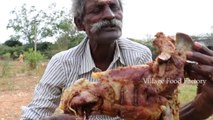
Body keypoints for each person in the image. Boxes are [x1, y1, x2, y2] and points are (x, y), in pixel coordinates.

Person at [21, 0, 213, 120]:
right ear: (80, 23)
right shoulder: (61, 62)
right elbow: (33, 114)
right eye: (98, 8)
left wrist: (201, 105)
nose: (110, 15)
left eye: (114, 7)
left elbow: (156, 111)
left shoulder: (140, 54)